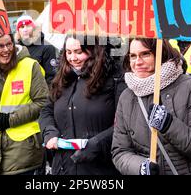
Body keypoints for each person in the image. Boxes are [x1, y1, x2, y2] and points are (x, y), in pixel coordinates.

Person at [112, 38, 191, 175]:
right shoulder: (126, 97)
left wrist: (169, 125)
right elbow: (120, 151)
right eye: (133, 56)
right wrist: (139, 167)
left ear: (160, 54)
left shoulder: (190, 86)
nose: (137, 62)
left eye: (145, 54)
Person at [39, 35, 126, 175]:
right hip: (63, 168)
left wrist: (97, 144)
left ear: (94, 50)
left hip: (101, 169)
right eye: (68, 52)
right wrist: (49, 132)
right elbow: (47, 110)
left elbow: (125, 123)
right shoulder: (62, 78)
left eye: (79, 52)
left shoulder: (115, 78)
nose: (73, 58)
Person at [0, 34, 48, 175]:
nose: (6, 49)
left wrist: (9, 120)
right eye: (0, 46)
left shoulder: (30, 66)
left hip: (25, 153)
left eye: (9, 44)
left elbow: (43, 102)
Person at [15, 15, 58, 86]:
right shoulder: (16, 48)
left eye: (28, 26)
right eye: (22, 27)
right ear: (18, 31)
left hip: (40, 91)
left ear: (34, 28)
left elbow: (51, 77)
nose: (25, 30)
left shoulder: (47, 47)